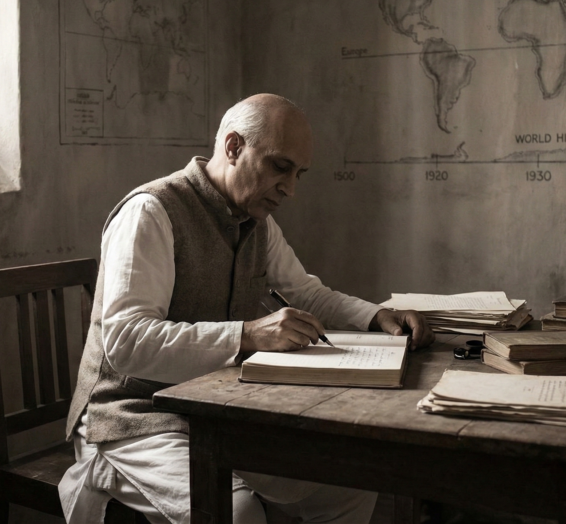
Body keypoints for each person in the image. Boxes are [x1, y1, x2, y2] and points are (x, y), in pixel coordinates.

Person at [59, 93, 433, 524]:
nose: (291, 189)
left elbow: (303, 291)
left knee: (349, 485)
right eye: (280, 167)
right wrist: (249, 334)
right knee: (237, 512)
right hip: (130, 419)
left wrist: (375, 316)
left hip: (213, 411)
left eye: (299, 174)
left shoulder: (257, 221)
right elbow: (127, 343)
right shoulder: (151, 212)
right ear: (234, 148)